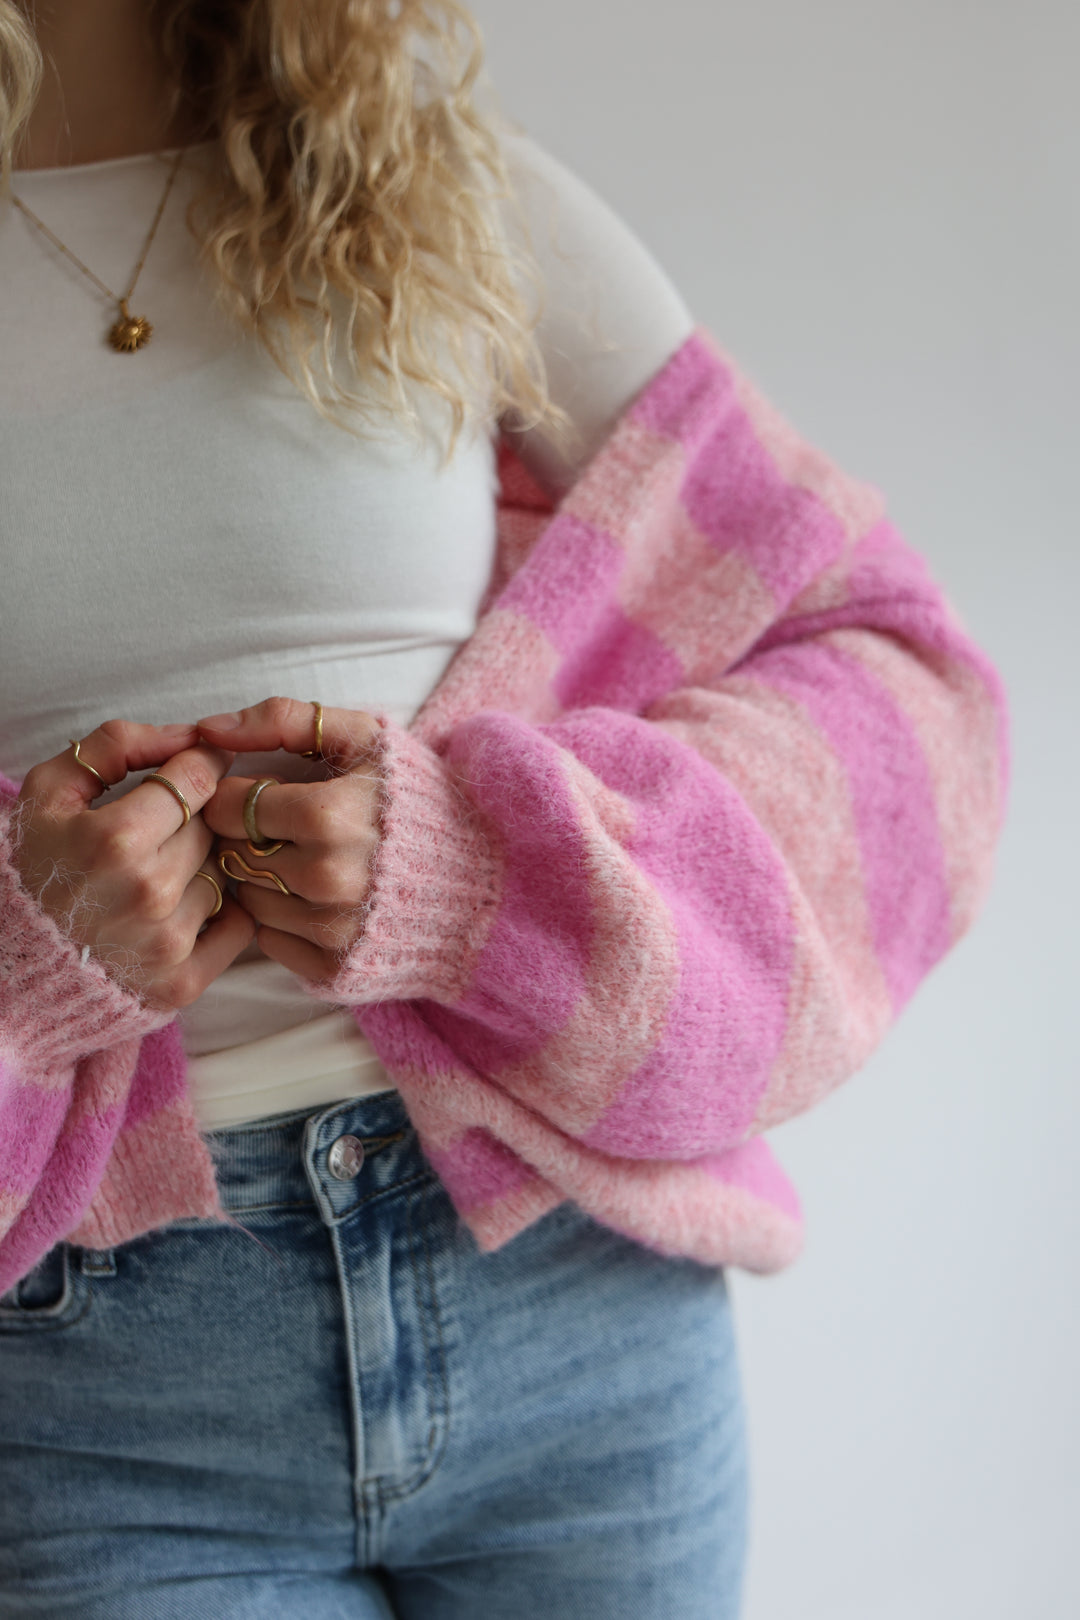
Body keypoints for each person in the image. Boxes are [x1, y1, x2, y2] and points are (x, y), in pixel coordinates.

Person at [0, 3, 1008, 1617]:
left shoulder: (424, 191)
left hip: (575, 1314)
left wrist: (482, 873)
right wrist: (24, 955)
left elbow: (898, 674)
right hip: (103, 1396)